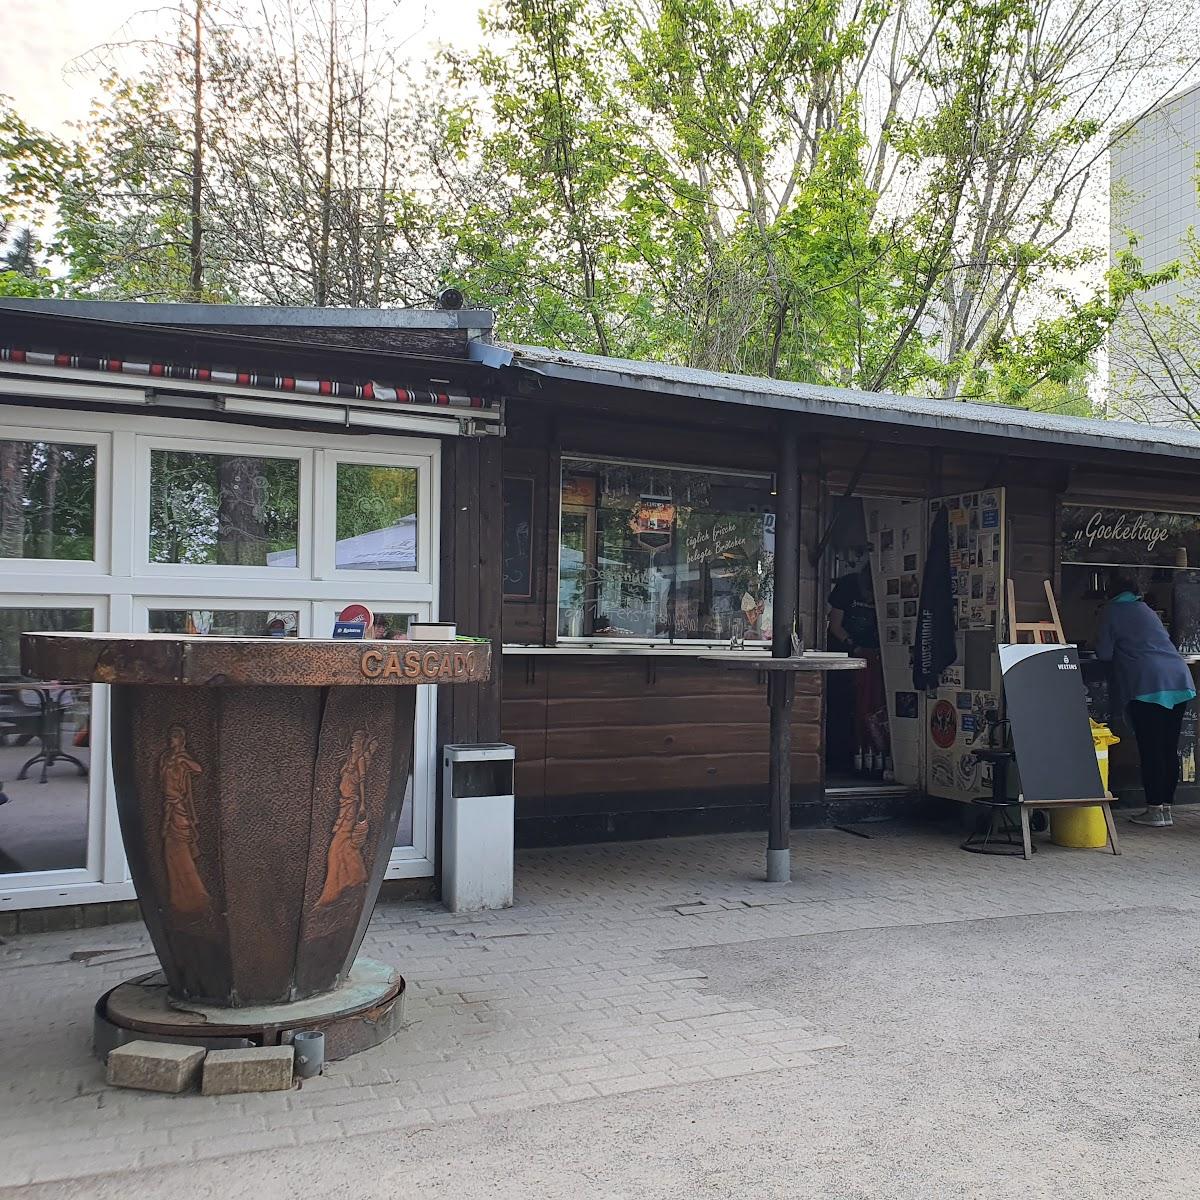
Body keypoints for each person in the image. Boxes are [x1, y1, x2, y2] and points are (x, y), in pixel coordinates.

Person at [1095, 574, 1197, 827]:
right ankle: (1166, 808)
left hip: (1148, 683)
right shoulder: (1146, 610)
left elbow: (1104, 653)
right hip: (1178, 679)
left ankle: (1154, 810)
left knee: (1151, 749)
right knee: (1168, 748)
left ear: (1110, 591)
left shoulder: (1112, 611)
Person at [828, 563, 885, 762]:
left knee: (872, 704)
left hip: (873, 655)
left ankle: (870, 755)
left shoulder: (884, 587)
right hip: (843, 656)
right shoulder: (848, 585)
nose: (869, 599)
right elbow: (835, 625)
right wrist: (853, 646)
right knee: (842, 705)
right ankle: (841, 757)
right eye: (868, 593)